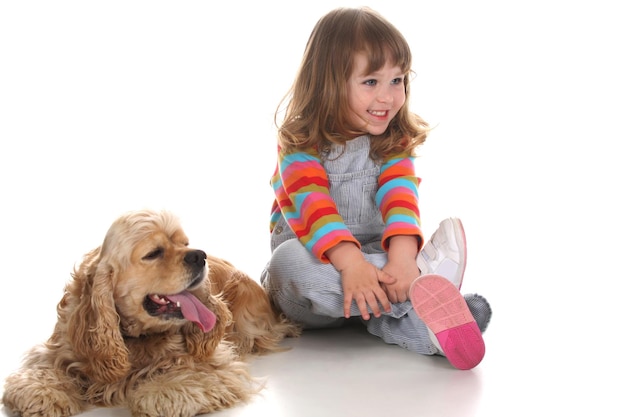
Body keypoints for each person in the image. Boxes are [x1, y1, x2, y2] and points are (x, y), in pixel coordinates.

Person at [260, 6, 492, 370]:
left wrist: (401, 258)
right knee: (287, 265)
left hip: (373, 273)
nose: (388, 97)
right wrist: (353, 264)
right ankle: (422, 290)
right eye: (371, 82)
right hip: (321, 281)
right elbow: (313, 206)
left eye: (397, 80)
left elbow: (400, 198)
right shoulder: (300, 143)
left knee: (392, 272)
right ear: (329, 84)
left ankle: (427, 327)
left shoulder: (392, 140)